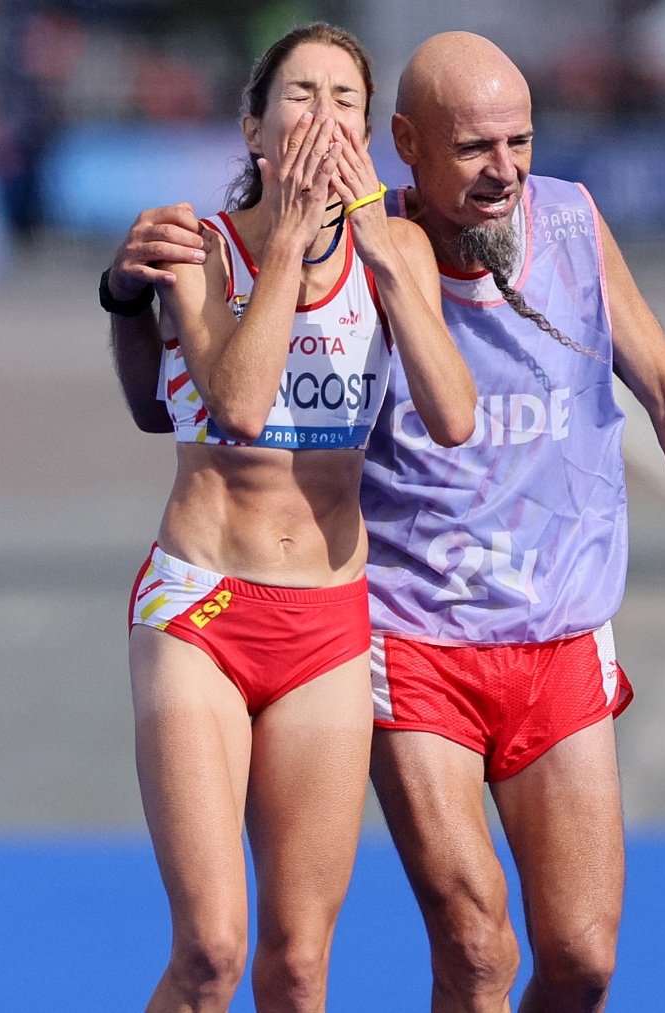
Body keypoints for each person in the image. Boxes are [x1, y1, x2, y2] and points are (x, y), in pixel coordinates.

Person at [103, 31, 665, 1012]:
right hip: (378, 629)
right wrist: (131, 298)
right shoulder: (275, 240)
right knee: (424, 946)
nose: (504, 171)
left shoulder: (533, 230)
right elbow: (198, 402)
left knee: (573, 959)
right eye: (475, 148)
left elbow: (639, 403)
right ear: (407, 145)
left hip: (506, 629)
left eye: (520, 142)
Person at [114, 23, 475, 1013]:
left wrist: (380, 255)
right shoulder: (200, 247)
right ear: (255, 126)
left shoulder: (395, 244)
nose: (323, 117)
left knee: (299, 961)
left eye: (344, 100)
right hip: (202, 603)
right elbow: (234, 399)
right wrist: (291, 238)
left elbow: (453, 415)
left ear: (373, 131)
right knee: (212, 952)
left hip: (325, 618)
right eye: (301, 96)